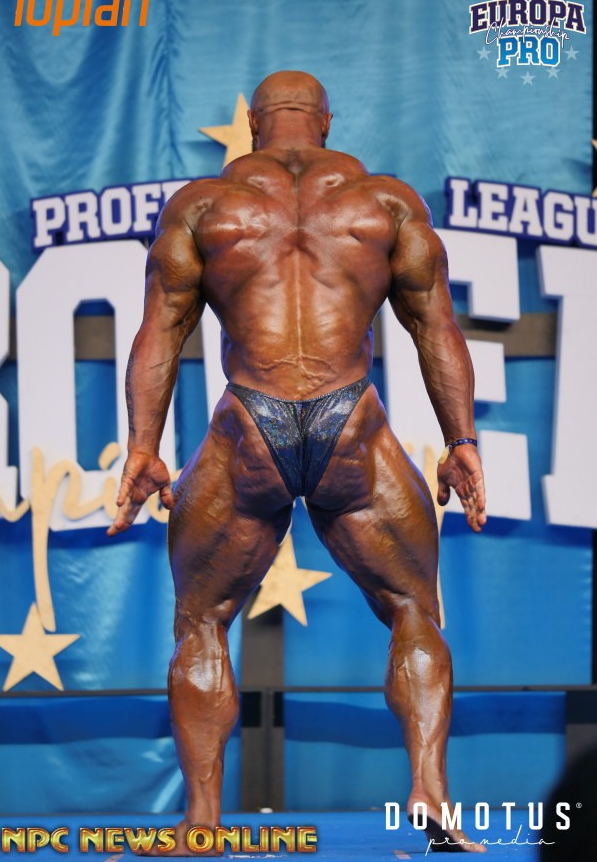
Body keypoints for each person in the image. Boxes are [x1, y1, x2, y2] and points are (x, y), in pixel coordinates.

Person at [108, 70, 487, 855]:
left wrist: (143, 446)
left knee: (201, 622)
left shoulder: (203, 206)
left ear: (253, 123)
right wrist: (463, 443)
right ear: (326, 121)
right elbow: (436, 328)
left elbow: (160, 329)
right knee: (413, 607)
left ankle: (202, 822)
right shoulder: (386, 202)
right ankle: (430, 789)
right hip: (352, 422)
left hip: (252, 422)